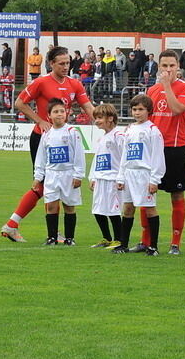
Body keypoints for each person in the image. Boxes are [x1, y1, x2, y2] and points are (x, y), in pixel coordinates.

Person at [1, 46, 94, 243]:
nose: (66, 66)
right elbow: (19, 103)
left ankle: (50, 233)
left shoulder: (75, 84)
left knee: (53, 186)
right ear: (51, 63)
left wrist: (107, 123)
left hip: (64, 139)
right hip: (43, 139)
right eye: (61, 63)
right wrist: (39, 121)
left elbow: (88, 107)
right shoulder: (41, 82)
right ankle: (12, 225)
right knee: (44, 184)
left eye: (68, 63)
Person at [140, 50, 185, 255]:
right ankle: (145, 240)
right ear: (158, 67)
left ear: (178, 67)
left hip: (175, 148)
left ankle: (175, 243)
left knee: (176, 195)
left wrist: (166, 86)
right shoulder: (151, 91)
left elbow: (177, 109)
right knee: (145, 195)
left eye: (172, 66)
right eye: (164, 66)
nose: (168, 70)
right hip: (154, 150)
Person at [115, 95, 165, 255]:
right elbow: (124, 154)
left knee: (149, 209)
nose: (137, 112)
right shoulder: (129, 129)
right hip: (129, 173)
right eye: (134, 109)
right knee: (128, 208)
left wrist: (154, 179)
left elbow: (158, 156)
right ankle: (123, 245)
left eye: (141, 109)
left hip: (144, 174)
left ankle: (153, 246)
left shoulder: (153, 131)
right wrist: (121, 176)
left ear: (148, 111)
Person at [33, 98, 85, 246]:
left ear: (66, 113)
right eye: (56, 112)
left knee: (69, 205)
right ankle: (52, 237)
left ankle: (69, 238)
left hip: (68, 174)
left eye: (62, 111)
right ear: (49, 115)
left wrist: (78, 175)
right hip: (51, 175)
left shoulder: (72, 132)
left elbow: (79, 155)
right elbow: (41, 157)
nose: (59, 114)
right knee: (51, 206)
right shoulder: (47, 134)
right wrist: (38, 176)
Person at [88, 103, 123, 249]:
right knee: (98, 209)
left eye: (100, 118)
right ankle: (106, 238)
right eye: (96, 118)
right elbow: (97, 158)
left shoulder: (119, 136)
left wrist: (121, 177)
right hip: (101, 178)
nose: (96, 121)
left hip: (113, 179)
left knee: (113, 210)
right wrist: (92, 177)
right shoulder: (103, 138)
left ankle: (119, 239)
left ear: (110, 118)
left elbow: (124, 158)